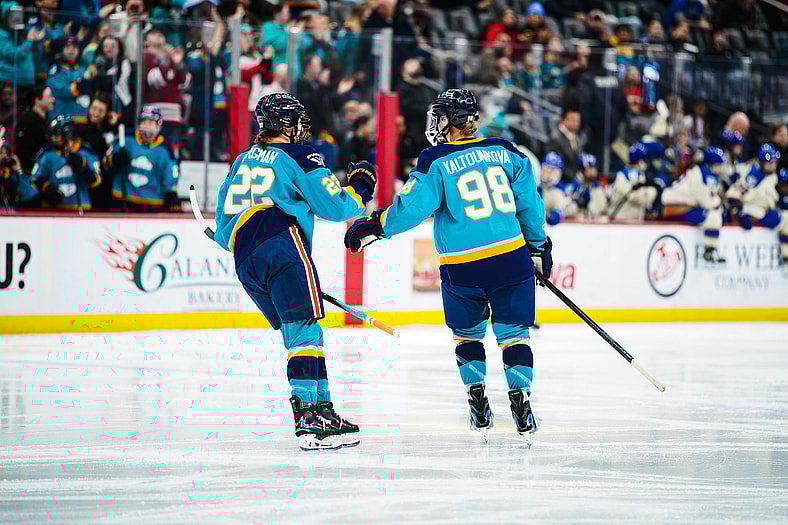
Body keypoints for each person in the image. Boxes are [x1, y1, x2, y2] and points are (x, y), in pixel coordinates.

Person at [344, 89, 551, 443]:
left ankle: (477, 397)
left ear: (452, 121)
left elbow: (411, 209)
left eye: (440, 116)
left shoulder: (434, 159)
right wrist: (539, 246)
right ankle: (522, 398)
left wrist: (376, 225)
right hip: (511, 259)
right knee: (514, 334)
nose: (435, 123)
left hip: (462, 266)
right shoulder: (506, 151)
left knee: (467, 335)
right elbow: (529, 203)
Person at [214, 93, 376, 451]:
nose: (303, 128)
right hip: (282, 244)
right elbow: (334, 205)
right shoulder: (300, 156)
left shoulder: (241, 160)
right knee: (304, 333)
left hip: (245, 258)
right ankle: (307, 418)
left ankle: (323, 410)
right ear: (285, 125)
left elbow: (223, 232)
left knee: (303, 330)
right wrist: (363, 187)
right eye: (298, 121)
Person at [103, 105, 179, 212]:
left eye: (150, 122)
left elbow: (170, 182)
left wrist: (172, 201)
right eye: (144, 121)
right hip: (121, 202)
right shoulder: (125, 140)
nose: (147, 126)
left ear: (158, 124)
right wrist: (115, 160)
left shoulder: (165, 149)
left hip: (151, 206)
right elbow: (106, 164)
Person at [662, 147, 727, 263]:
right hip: (677, 207)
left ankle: (711, 250)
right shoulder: (706, 174)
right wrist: (719, 204)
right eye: (720, 165)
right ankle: (710, 251)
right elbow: (707, 202)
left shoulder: (700, 171)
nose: (722, 168)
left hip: (671, 205)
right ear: (714, 164)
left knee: (713, 214)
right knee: (714, 216)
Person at [32, 115, 101, 212]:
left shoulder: (86, 152)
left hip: (80, 208)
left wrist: (82, 166)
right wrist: (46, 189)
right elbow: (34, 178)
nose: (54, 138)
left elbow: (96, 181)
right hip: (52, 211)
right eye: (52, 135)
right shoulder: (46, 154)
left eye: (57, 135)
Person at [739, 168, 788, 272]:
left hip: (761, 213)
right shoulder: (755, 176)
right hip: (752, 210)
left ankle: (786, 258)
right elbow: (737, 197)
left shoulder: (771, 181)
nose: (785, 188)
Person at [608, 143, 659, 220]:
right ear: (640, 161)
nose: (646, 163)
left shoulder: (640, 174)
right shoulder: (625, 174)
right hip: (621, 219)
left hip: (632, 219)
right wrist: (648, 193)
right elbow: (634, 196)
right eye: (645, 160)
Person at [0, 126, 38, 209]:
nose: (4, 156)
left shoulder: (10, 176)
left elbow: (29, 195)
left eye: (5, 152)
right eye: (1, 152)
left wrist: (19, 171)